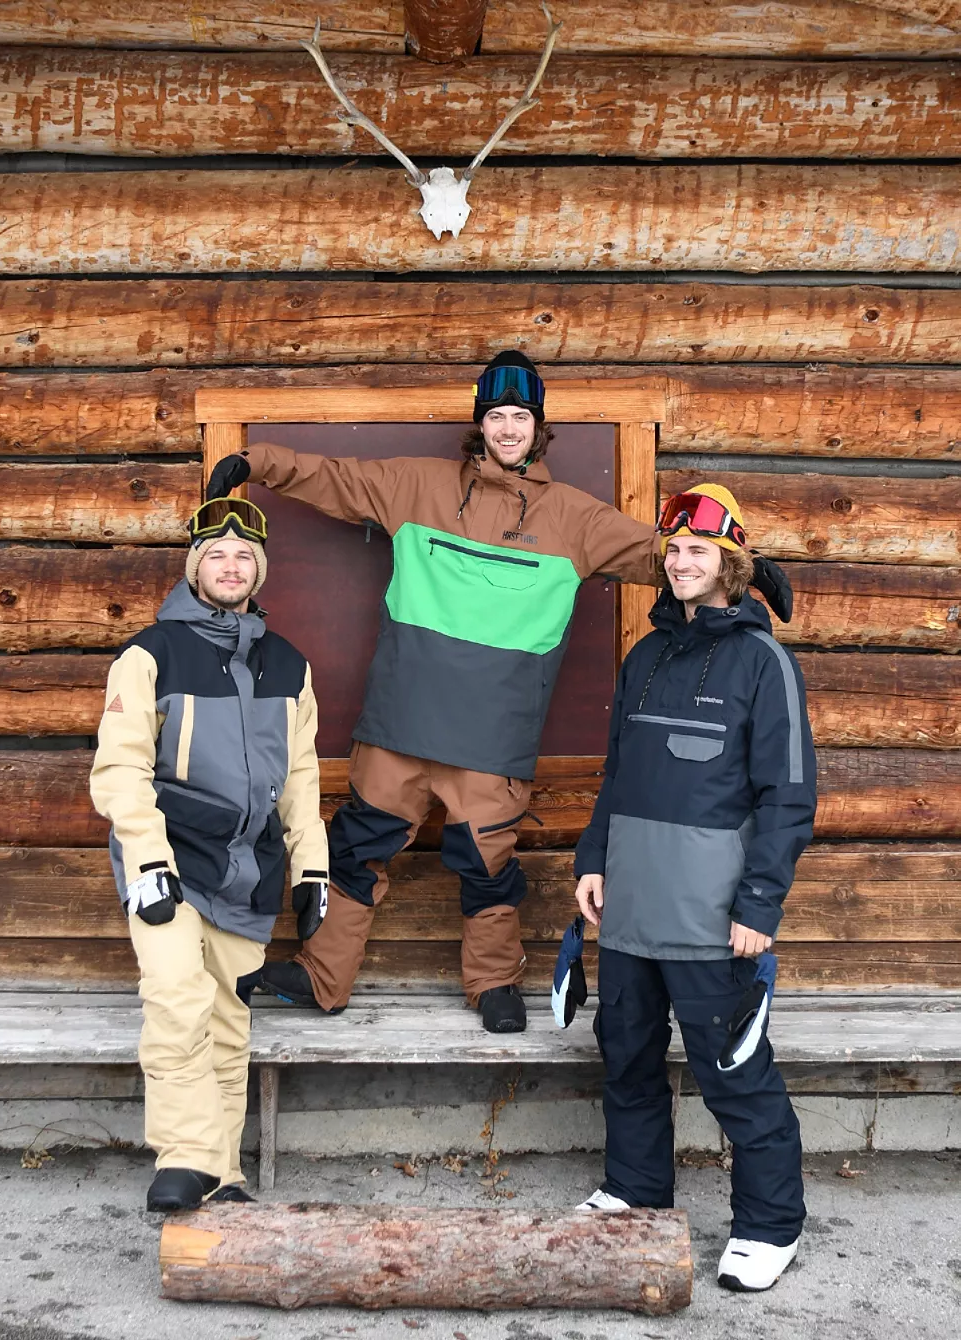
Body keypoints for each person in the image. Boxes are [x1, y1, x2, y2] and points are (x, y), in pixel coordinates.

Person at [206, 353, 791, 1034]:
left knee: (487, 867)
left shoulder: (574, 518)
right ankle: (320, 975)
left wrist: (750, 569)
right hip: (397, 725)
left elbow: (663, 554)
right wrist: (256, 462)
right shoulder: (414, 487)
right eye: (496, 415)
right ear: (479, 423)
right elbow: (334, 478)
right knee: (354, 853)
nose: (508, 428)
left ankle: (493, 983)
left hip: (492, 741)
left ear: (538, 428)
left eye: (520, 417)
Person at [572, 482, 817, 1293]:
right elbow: (617, 775)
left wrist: (760, 905)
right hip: (631, 906)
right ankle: (636, 1189)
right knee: (627, 1056)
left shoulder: (764, 662)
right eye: (673, 550)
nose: (681, 562)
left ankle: (770, 1225)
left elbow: (787, 796)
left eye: (698, 551)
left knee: (733, 1071)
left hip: (713, 917)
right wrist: (592, 861)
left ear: (731, 564)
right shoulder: (644, 658)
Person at [89, 497, 328, 1211]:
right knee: (176, 999)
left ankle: (221, 1176)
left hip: (248, 869)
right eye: (216, 555)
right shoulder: (150, 654)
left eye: (243, 556)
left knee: (228, 1020)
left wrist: (311, 866)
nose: (230, 566)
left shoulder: (289, 665)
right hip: (171, 860)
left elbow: (302, 776)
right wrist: (146, 859)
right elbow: (121, 768)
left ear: (259, 570)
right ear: (195, 567)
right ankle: (187, 1155)